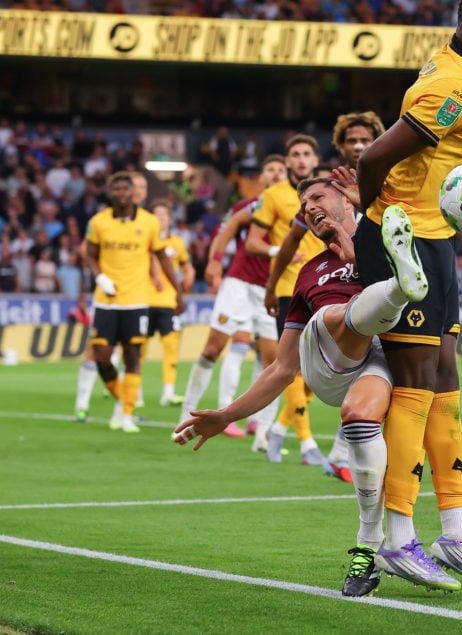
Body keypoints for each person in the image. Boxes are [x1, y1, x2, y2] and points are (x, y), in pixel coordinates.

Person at [353, 0, 462, 592]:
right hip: (402, 239)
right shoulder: (452, 85)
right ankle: (400, 539)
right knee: (416, 386)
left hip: (435, 238)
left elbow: (446, 161)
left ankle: (454, 531)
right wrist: (374, 219)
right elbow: (374, 159)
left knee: (446, 383)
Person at [174, 179, 428, 597]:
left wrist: (355, 242)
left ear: (346, 200)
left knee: (362, 419)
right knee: (335, 315)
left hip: (377, 357)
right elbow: (281, 369)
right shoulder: (311, 271)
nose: (308, 208)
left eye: (317, 198)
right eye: (303, 204)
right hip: (324, 360)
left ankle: (368, 546)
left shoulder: (382, 245)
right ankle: (400, 291)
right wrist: (227, 415)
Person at [265, 111, 386, 482]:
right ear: (341, 146)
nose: (359, 146)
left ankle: (331, 450)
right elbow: (290, 240)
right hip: (332, 282)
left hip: (376, 274)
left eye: (366, 140)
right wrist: (271, 286)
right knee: (309, 368)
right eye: (351, 141)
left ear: (379, 142)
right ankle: (323, 448)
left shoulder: (390, 179)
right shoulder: (327, 190)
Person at [178, 155, 287, 441]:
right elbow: (224, 231)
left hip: (272, 287)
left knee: (273, 360)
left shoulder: (297, 206)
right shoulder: (251, 206)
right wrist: (215, 262)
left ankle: (262, 429)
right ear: (261, 179)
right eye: (270, 170)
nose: (275, 174)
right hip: (239, 283)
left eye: (280, 170)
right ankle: (187, 413)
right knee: (213, 349)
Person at [247, 135, 328, 465]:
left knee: (319, 370)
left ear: (314, 159)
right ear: (288, 160)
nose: (300, 159)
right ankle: (307, 443)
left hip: (325, 286)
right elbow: (252, 241)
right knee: (292, 366)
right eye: (294, 154)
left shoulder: (328, 192)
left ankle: (280, 428)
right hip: (288, 288)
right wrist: (275, 252)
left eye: (306, 153)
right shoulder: (273, 195)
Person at [84, 171, 185, 433]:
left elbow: (162, 258)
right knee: (102, 356)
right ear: (111, 193)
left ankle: (126, 413)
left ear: (133, 192)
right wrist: (99, 276)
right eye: (116, 188)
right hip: (106, 300)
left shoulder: (150, 223)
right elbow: (90, 254)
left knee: (132, 357)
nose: (121, 193)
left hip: (137, 301)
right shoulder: (98, 222)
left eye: (125, 188)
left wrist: (178, 292)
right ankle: (123, 399)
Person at [145, 199, 195, 407]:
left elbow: (186, 265)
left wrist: (189, 275)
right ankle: (135, 392)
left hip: (167, 300)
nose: (160, 218)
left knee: (171, 346)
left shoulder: (176, 243)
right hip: (145, 298)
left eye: (164, 215)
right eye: (156, 215)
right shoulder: (145, 241)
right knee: (138, 348)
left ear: (169, 219)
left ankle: (168, 392)